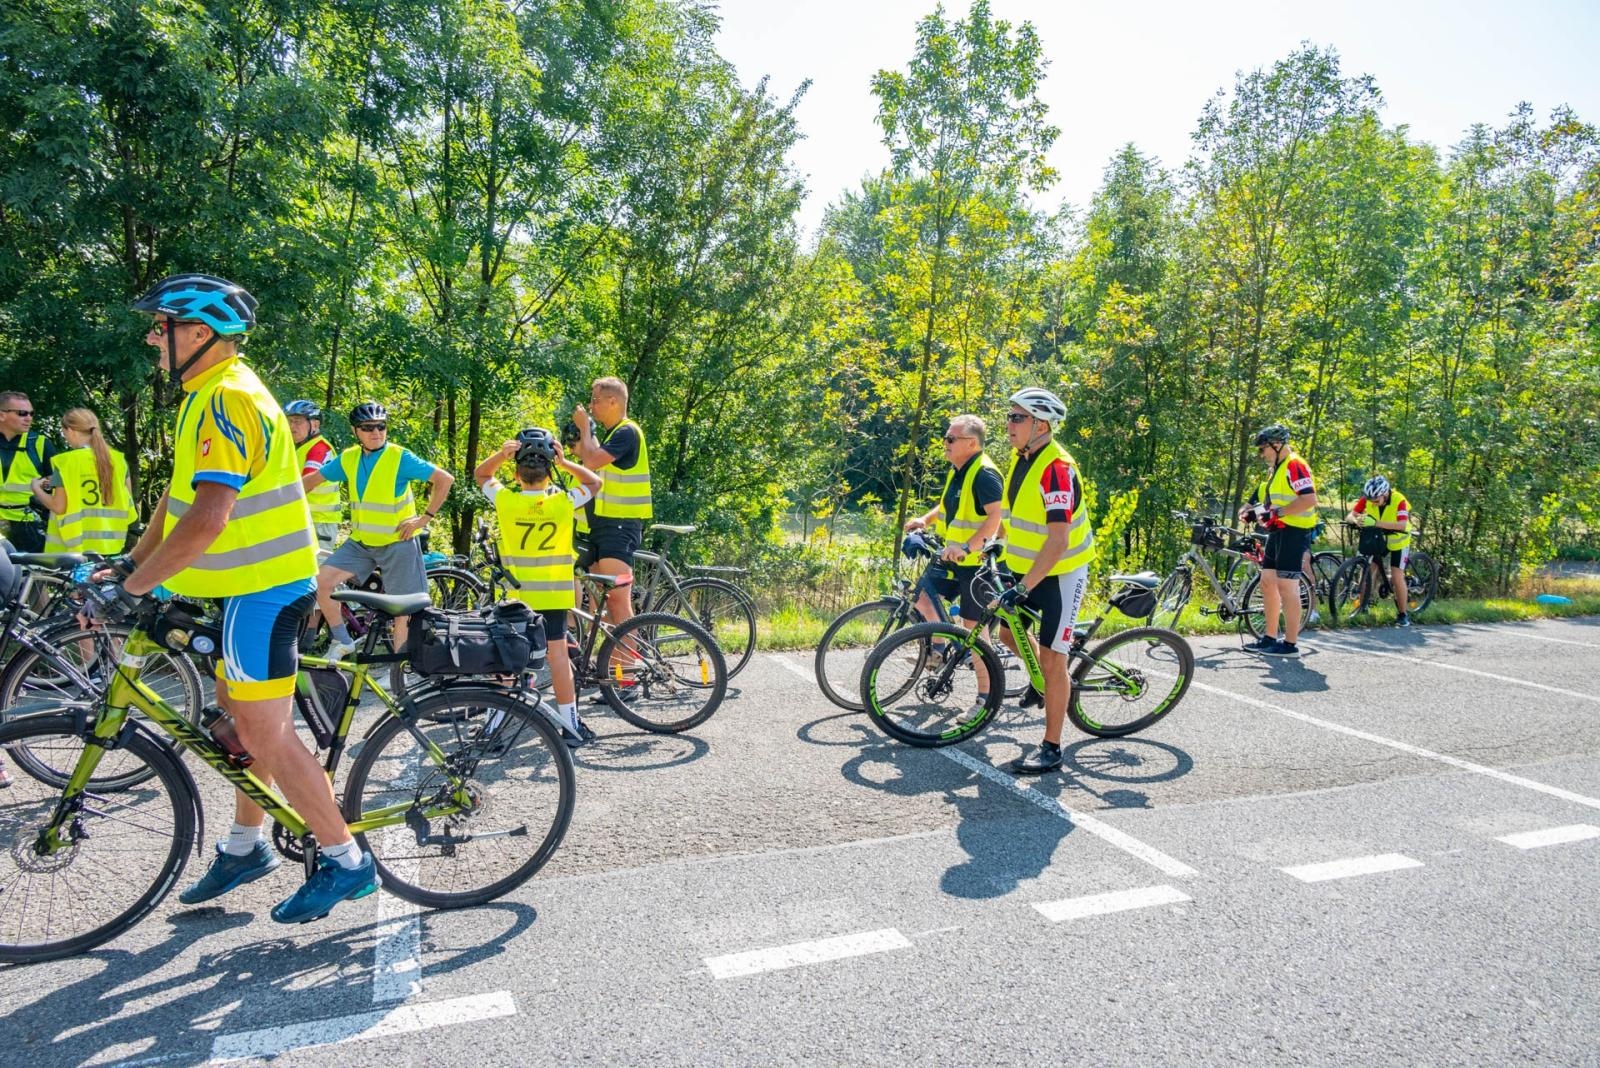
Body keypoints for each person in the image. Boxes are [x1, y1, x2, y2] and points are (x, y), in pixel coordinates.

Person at [119, 273, 374, 923]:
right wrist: (131, 564)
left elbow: (207, 520)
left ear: (199, 332)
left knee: (265, 733)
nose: (153, 336)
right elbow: (177, 503)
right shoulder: (208, 392)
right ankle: (245, 847)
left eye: (162, 325)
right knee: (240, 725)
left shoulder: (226, 399)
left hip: (263, 593)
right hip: (242, 591)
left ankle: (347, 862)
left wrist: (136, 586)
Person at [474, 428, 602, 745]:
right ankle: (570, 726)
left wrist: (501, 455)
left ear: (516, 475)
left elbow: (480, 475)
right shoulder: (562, 502)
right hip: (555, 595)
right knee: (558, 659)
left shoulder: (506, 501)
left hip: (518, 596)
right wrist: (566, 462)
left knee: (506, 660)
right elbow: (594, 483)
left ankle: (492, 730)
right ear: (549, 472)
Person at [995, 388, 1096, 775]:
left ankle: (1052, 747)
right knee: (1007, 634)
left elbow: (1058, 539)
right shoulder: (1022, 459)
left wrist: (1023, 586)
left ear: (1041, 424)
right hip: (1026, 568)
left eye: (1017, 418)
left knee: (1055, 661)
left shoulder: (1057, 468)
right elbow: (1017, 517)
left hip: (1060, 573)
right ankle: (1043, 684)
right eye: (1009, 416)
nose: (1009, 424)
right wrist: (995, 543)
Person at [303, 402, 453, 659]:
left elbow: (444, 479)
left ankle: (400, 672)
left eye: (381, 426)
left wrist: (423, 519)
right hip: (361, 543)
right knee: (321, 582)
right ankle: (342, 641)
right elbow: (308, 482)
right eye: (368, 427)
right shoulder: (349, 458)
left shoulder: (399, 457)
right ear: (355, 431)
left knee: (402, 613)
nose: (376, 432)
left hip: (398, 543)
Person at [902, 414, 1004, 716]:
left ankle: (985, 701)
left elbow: (995, 519)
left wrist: (967, 547)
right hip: (952, 557)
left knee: (974, 632)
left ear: (970, 443)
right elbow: (948, 506)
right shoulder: (959, 469)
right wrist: (925, 520)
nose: (944, 443)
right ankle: (938, 652)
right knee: (922, 597)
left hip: (980, 563)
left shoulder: (984, 474)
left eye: (950, 439)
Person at [572, 377, 649, 641]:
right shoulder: (614, 434)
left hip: (619, 526)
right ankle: (605, 668)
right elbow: (589, 459)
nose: (592, 406)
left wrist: (585, 427)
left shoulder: (627, 432)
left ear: (613, 401)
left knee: (617, 602)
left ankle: (627, 673)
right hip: (604, 526)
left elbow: (592, 460)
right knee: (599, 604)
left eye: (596, 400)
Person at [1241, 424, 1317, 656]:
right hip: (1278, 531)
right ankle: (1269, 637)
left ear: (1276, 445)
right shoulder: (1278, 468)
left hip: (1294, 531)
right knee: (1267, 582)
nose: (1261, 454)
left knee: (1286, 586)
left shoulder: (1295, 464)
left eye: (1263, 449)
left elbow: (1309, 499)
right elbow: (1274, 502)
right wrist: (1255, 512)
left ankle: (1290, 644)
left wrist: (1278, 513)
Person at [32, 408, 136, 555]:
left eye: (64, 433)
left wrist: (36, 487)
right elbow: (128, 501)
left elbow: (59, 507)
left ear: (70, 430)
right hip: (111, 546)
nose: (65, 438)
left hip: (72, 549)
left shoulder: (66, 462)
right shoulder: (118, 460)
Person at [1346, 474, 1413, 627]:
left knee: (1397, 576)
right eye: (1370, 501)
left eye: (1376, 501)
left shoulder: (1399, 500)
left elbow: (1402, 525)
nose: (1373, 504)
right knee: (1368, 570)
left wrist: (1376, 523)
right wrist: (1355, 520)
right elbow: (1350, 515)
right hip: (1379, 539)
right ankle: (1362, 608)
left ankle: (1403, 614)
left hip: (1398, 541)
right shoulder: (1369, 498)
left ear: (1385, 494)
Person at [0, 391, 58, 552]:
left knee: (33, 575)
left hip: (29, 525)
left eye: (31, 413)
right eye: (22, 413)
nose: (29, 418)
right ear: (2, 415)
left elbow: (60, 487)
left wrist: (46, 484)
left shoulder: (40, 444)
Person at [286, 400, 342, 551]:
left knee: (317, 573)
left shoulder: (319, 449)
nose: (292, 426)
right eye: (289, 421)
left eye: (297, 421)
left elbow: (307, 484)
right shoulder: (300, 449)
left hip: (319, 523)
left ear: (315, 424)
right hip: (303, 520)